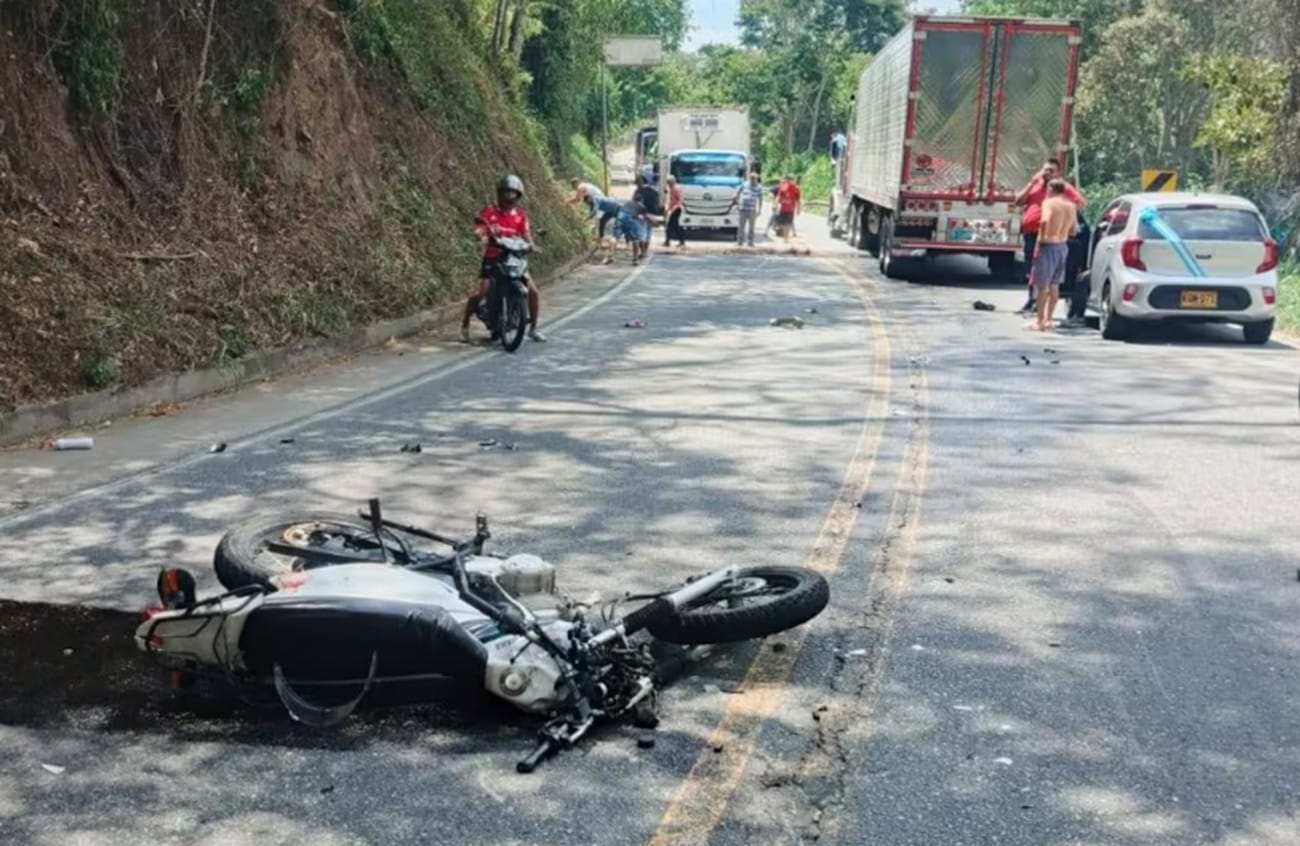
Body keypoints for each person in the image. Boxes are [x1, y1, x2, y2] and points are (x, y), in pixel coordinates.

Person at [461, 174, 546, 343]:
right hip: (493, 257)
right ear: (499, 194)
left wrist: (532, 245)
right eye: (505, 193)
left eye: (512, 193)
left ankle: (534, 328)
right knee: (481, 292)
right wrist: (481, 236)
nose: (508, 197)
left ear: (518, 196)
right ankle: (465, 324)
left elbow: (527, 235)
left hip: (515, 258)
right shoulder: (490, 212)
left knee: (533, 292)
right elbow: (480, 228)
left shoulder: (521, 215)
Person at [1015, 159, 1085, 313]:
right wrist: (1031, 183)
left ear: (1058, 173)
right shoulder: (1036, 184)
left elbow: (1080, 203)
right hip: (1031, 234)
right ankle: (1032, 300)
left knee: (1045, 273)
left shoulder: (1062, 188)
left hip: (1049, 237)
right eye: (1046, 169)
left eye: (1051, 170)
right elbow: (1018, 201)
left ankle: (1040, 308)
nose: (1048, 173)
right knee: (1032, 270)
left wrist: (1061, 212)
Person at [1030, 179, 1077, 331]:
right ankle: (1049, 319)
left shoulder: (1049, 203)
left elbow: (1045, 220)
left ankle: (1039, 322)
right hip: (1063, 246)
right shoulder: (1071, 205)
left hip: (1048, 245)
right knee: (1054, 284)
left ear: (1050, 189)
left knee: (1042, 286)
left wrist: (1041, 239)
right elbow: (1074, 230)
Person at [1063, 208, 1092, 327]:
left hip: (1076, 259)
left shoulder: (1077, 223)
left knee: (1079, 284)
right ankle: (1076, 313)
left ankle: (1077, 314)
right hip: (1078, 259)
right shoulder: (1081, 223)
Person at [728, 172, 764, 247]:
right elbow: (737, 192)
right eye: (751, 178)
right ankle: (739, 242)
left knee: (751, 227)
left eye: (754, 178)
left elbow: (760, 199)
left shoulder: (759, 187)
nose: (752, 180)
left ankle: (750, 242)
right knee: (741, 226)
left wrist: (759, 210)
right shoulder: (745, 184)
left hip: (752, 210)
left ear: (757, 179)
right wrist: (737, 203)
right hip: (743, 209)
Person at [632, 174, 661, 256]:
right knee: (648, 233)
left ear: (640, 182)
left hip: (642, 215)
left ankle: (643, 252)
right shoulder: (654, 191)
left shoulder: (638, 191)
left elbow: (634, 203)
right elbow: (658, 203)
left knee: (642, 233)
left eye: (637, 183)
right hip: (653, 214)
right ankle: (645, 251)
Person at [773, 174, 801, 241]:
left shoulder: (796, 188)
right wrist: (775, 204)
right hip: (783, 208)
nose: (790, 181)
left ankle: (786, 238)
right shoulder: (783, 187)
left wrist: (798, 209)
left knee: (788, 224)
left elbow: (798, 200)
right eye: (789, 179)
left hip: (790, 209)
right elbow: (778, 196)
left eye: (791, 179)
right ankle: (785, 235)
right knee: (782, 224)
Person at [663, 175, 686, 248]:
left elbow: (680, 200)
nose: (668, 184)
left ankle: (669, 241)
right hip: (673, 208)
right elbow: (671, 199)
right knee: (673, 225)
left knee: (672, 225)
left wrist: (673, 209)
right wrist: (668, 208)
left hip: (677, 209)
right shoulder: (671, 188)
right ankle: (669, 241)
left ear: (673, 181)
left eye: (669, 182)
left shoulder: (677, 188)